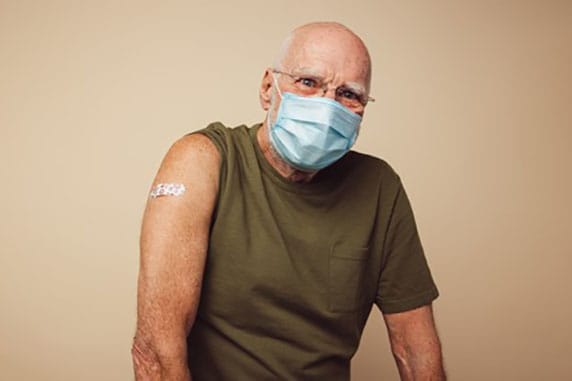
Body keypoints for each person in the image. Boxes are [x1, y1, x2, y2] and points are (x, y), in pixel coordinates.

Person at [132, 22, 446, 381]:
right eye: (309, 83)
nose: (328, 107)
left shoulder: (379, 188)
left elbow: (415, 351)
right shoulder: (202, 161)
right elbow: (156, 352)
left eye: (349, 94)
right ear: (269, 87)